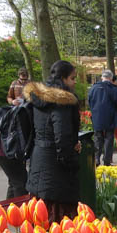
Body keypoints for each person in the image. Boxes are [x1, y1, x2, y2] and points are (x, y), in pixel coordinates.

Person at [24, 60, 82, 223]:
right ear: (63, 78)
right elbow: (62, 137)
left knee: (40, 210)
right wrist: (71, 162)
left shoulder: (38, 99)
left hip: (39, 156)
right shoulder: (62, 102)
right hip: (56, 164)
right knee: (57, 217)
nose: (74, 82)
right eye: (72, 78)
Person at [88, 69, 117, 166]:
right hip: (110, 116)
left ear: (102, 77)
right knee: (109, 138)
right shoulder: (114, 89)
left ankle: (96, 159)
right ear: (111, 78)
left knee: (97, 137)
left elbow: (89, 101)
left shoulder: (93, 88)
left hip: (96, 116)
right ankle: (107, 161)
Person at [0, 127, 27, 199]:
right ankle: (17, 208)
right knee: (20, 183)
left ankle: (9, 208)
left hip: (2, 143)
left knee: (15, 181)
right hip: (7, 146)